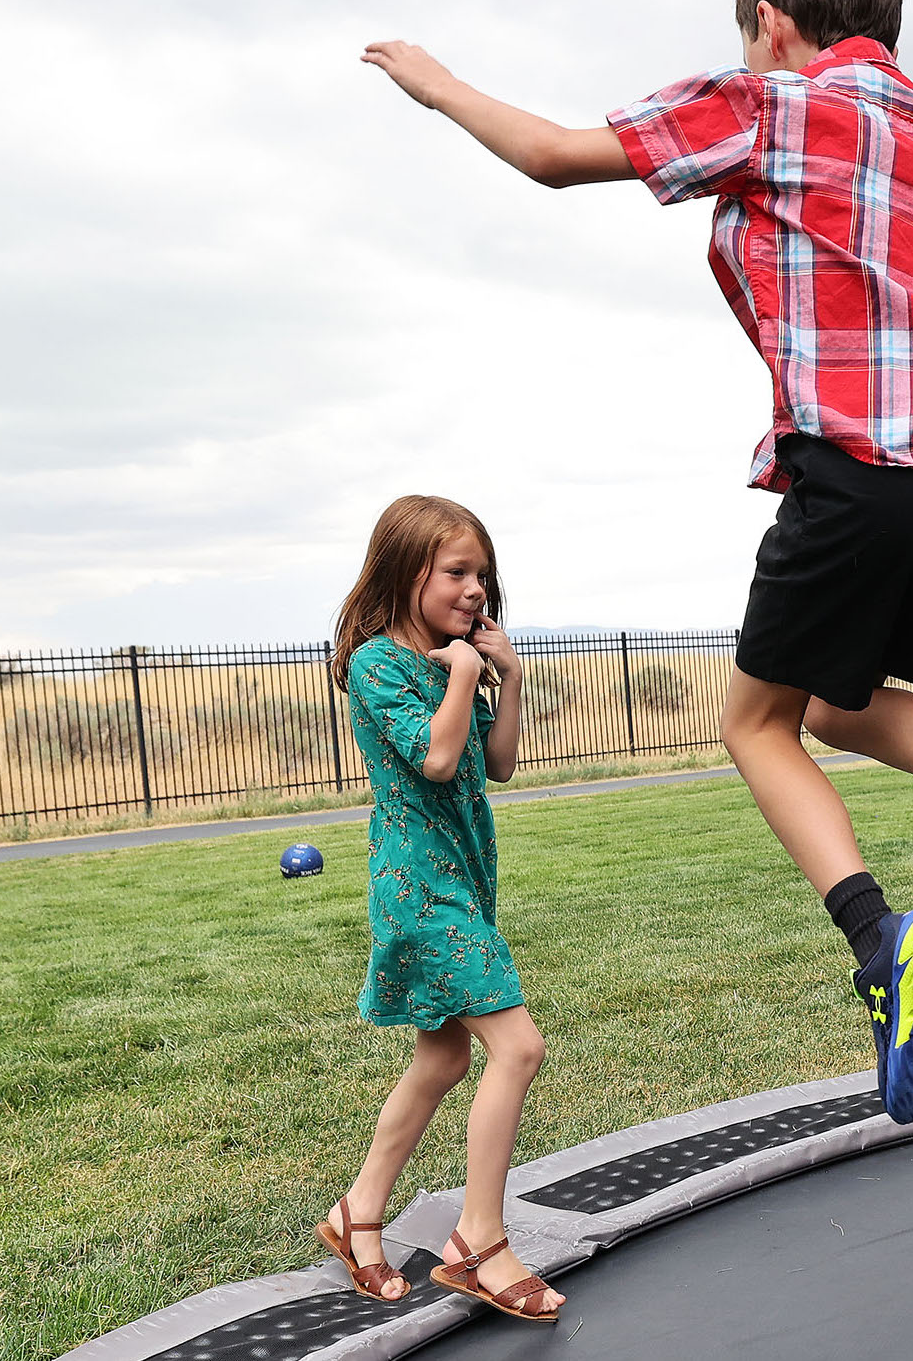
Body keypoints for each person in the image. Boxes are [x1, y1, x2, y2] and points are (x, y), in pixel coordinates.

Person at [360, 0, 913, 1127]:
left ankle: (883, 945)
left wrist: (434, 83)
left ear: (771, 24)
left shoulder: (769, 102)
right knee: (829, 700)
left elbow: (555, 156)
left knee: (753, 725)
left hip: (859, 466)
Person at [319, 494, 561, 1322]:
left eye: (482, 575)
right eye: (457, 572)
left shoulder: (453, 658)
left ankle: (357, 1215)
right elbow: (435, 757)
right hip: (420, 891)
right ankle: (478, 1242)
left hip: (462, 878)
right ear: (404, 570)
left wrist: (507, 676)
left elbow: (497, 764)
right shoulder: (378, 665)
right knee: (517, 1048)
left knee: (444, 1059)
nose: (475, 591)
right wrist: (462, 673)